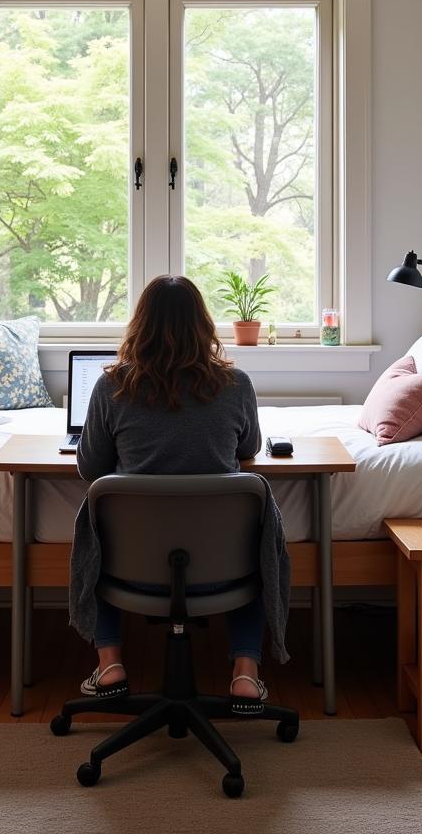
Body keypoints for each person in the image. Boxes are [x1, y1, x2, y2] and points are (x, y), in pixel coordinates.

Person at [73, 275, 284, 711]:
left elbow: (91, 469)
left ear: (140, 325)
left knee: (96, 532)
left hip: (129, 569)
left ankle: (111, 662)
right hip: (226, 568)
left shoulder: (112, 387)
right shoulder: (236, 384)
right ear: (203, 326)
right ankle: (245, 671)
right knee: (256, 540)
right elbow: (247, 449)